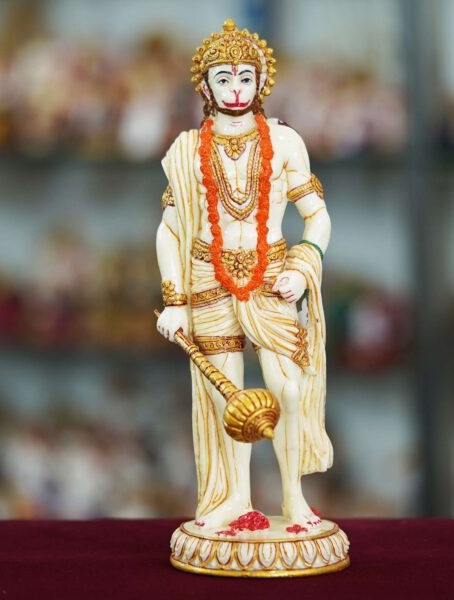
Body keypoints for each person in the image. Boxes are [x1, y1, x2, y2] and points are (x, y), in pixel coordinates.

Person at [155, 19, 332, 530]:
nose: (236, 89)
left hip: (271, 277)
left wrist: (302, 266)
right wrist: (175, 300)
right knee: (226, 399)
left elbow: (317, 216)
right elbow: (170, 230)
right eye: (224, 78)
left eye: (245, 78)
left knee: (288, 390)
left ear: (261, 82)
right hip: (208, 281)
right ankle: (235, 499)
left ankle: (294, 499)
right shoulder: (188, 151)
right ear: (205, 86)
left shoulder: (284, 142)